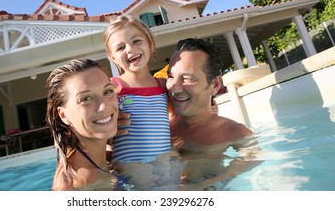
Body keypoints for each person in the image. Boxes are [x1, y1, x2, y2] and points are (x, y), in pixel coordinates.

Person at [165, 38, 261, 189]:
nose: (173, 87)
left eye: (187, 78)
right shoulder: (163, 129)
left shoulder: (233, 131)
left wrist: (203, 186)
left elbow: (255, 156)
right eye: (170, 76)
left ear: (214, 85)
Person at [104, 15, 182, 190]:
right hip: (130, 164)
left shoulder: (162, 85)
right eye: (120, 47)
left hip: (164, 158)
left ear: (150, 44)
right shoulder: (113, 88)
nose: (130, 49)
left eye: (137, 41)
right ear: (113, 57)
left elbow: (186, 106)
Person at [45, 58, 122, 190]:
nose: (103, 106)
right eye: (85, 99)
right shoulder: (83, 183)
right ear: (64, 115)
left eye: (108, 91)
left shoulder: (103, 157)